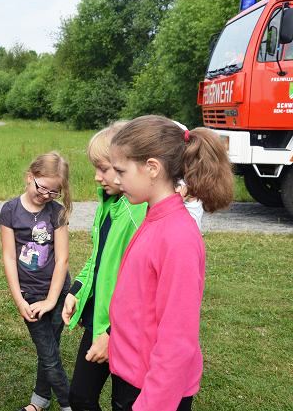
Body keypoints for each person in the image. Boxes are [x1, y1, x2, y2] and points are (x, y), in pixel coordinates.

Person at [107, 115, 234, 411]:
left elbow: (178, 339)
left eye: (121, 171)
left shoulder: (178, 237)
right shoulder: (153, 219)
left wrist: (151, 404)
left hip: (155, 394)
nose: (115, 180)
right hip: (134, 378)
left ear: (152, 168)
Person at [61, 123, 147, 411]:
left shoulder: (140, 213)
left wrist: (112, 333)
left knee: (125, 403)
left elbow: (142, 286)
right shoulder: (107, 204)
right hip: (99, 319)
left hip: (124, 329)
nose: (97, 177)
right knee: (80, 397)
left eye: (104, 168)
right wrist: (76, 290)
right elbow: (99, 260)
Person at [0, 152, 73, 411]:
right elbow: (9, 257)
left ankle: (39, 401)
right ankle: (68, 404)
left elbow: (62, 260)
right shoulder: (10, 210)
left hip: (58, 292)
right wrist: (19, 300)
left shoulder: (57, 211)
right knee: (50, 356)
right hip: (30, 296)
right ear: (30, 177)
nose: (46, 196)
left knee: (49, 351)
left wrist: (53, 300)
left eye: (54, 192)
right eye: (42, 188)